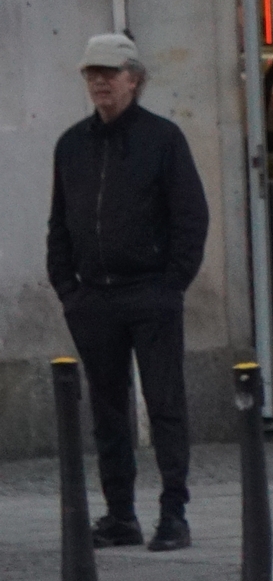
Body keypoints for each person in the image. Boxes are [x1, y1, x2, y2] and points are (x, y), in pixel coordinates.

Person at [46, 34, 209, 552]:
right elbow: (60, 222)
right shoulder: (72, 144)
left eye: (109, 73)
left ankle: (173, 513)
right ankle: (120, 514)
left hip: (150, 292)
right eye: (91, 73)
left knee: (164, 405)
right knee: (108, 410)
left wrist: (172, 283)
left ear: (134, 79)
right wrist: (66, 287)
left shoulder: (163, 139)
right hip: (94, 298)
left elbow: (190, 216)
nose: (99, 82)